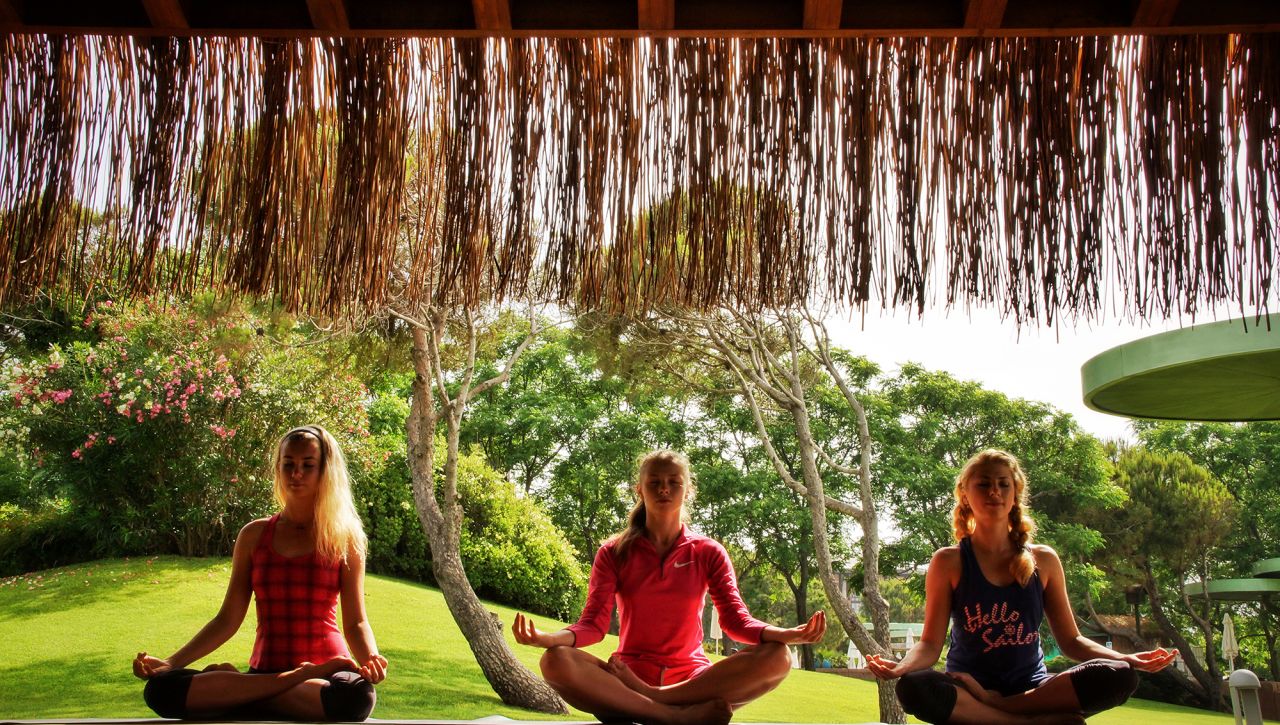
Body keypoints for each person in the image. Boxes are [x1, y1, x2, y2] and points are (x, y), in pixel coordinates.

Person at [512, 450, 825, 725]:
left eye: (674, 482)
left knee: (778, 657)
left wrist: (783, 634)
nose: (664, 488)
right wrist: (549, 638)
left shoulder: (708, 552)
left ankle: (655, 700)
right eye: (654, 482)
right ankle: (671, 716)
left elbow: (735, 621)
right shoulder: (613, 552)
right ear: (639, 489)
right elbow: (593, 625)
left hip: (691, 681)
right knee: (555, 660)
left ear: (688, 490)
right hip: (627, 676)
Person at [867, 449, 1178, 724]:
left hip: (1033, 689)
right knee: (914, 686)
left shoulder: (1045, 559)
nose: (995, 491)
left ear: (1015, 493)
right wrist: (901, 667)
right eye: (984, 484)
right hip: (968, 689)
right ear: (965, 494)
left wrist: (1127, 659)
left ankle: (1000, 709)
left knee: (1119, 675)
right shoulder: (948, 561)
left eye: (1004, 484)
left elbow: (1071, 641)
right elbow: (929, 645)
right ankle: (1027, 722)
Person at [133, 425, 388, 721]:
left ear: (325, 471)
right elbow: (227, 620)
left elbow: (356, 622)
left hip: (325, 678)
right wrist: (171, 663)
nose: (296, 473)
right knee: (160, 690)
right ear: (278, 468)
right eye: (288, 464)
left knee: (356, 697)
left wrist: (371, 658)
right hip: (268, 671)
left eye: (308, 465)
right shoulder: (254, 535)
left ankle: (239, 692)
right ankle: (282, 681)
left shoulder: (345, 539)